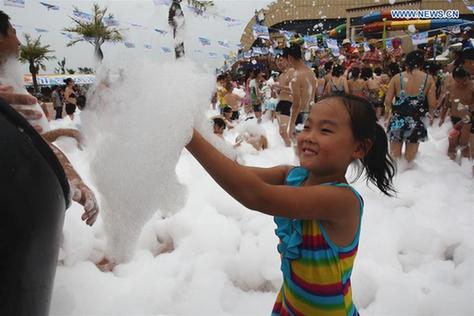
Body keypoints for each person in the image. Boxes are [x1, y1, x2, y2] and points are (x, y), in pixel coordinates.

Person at [185, 93, 396, 316]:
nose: (309, 136)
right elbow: (237, 174)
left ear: (359, 148)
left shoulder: (342, 200)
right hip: (291, 304)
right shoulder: (293, 176)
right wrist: (195, 129)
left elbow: (256, 196)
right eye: (307, 126)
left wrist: (189, 135)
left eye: (325, 130)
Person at [0, 10, 98, 225]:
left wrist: (76, 182)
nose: (18, 41)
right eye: (13, 32)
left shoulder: (14, 89)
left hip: (27, 217)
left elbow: (35, 143)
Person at [385, 50, 436, 163]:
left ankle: (396, 179)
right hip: (416, 121)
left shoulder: (397, 78)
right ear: (422, 63)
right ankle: (409, 177)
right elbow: (433, 104)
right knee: (410, 161)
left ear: (407, 62)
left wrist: (387, 117)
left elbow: (388, 101)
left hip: (397, 120)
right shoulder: (429, 79)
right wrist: (430, 118)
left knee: (394, 158)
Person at [438, 66, 473, 160]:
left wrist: (469, 109)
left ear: (467, 77)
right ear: (454, 79)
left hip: (468, 119)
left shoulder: (472, 87)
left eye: (464, 80)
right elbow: (446, 104)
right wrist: (442, 117)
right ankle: (450, 167)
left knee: (464, 144)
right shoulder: (451, 86)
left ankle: (465, 168)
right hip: (454, 117)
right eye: (458, 81)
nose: (461, 84)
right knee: (452, 144)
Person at [283, 44, 317, 139]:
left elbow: (297, 104)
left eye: (286, 60)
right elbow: (311, 94)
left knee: (299, 150)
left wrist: (292, 124)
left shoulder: (296, 77)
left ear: (290, 58)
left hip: (300, 117)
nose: (287, 63)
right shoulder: (311, 72)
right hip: (312, 114)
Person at [274, 55, 295, 146]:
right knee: (281, 132)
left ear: (287, 61)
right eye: (277, 61)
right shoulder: (281, 75)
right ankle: (287, 151)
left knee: (283, 131)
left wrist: (279, 87)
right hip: (280, 103)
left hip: (288, 103)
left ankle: (291, 150)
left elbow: (293, 88)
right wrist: (278, 90)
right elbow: (281, 91)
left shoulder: (291, 71)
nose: (279, 63)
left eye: (281, 60)